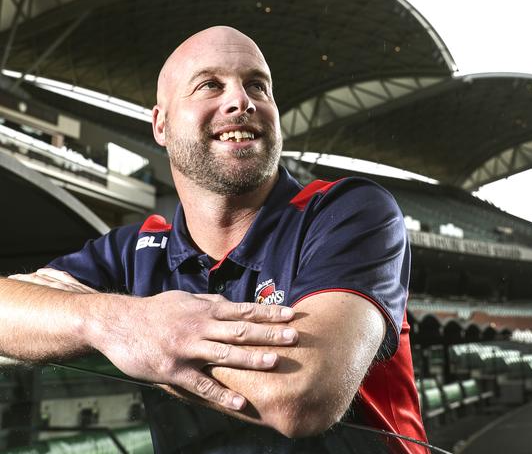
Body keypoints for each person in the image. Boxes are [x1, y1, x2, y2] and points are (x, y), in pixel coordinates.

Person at [0, 26, 427, 453]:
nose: (242, 100)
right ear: (161, 125)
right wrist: (116, 322)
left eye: (258, 85)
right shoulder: (135, 251)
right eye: (210, 85)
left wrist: (156, 342)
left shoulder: (347, 211)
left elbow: (300, 395)